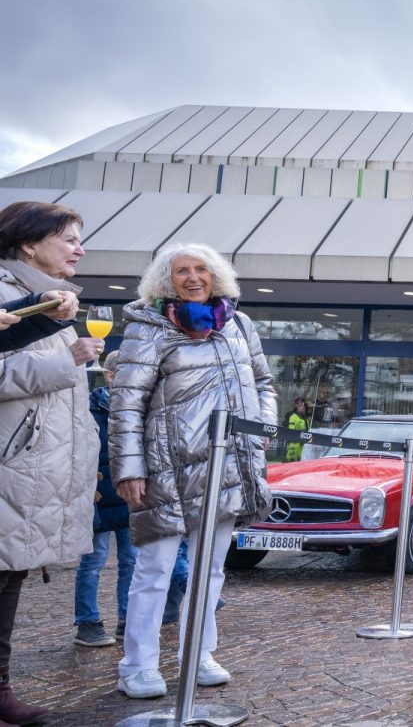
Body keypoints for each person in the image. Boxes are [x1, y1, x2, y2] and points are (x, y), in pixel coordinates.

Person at [110, 243, 276, 699]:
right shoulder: (148, 328)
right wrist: (128, 468)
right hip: (164, 470)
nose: (192, 277)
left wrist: (264, 426)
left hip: (229, 466)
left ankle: (197, 653)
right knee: (154, 570)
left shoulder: (238, 324)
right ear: (166, 281)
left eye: (201, 269)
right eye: (181, 271)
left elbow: (263, 383)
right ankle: (137, 665)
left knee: (212, 570)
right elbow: (126, 405)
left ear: (216, 275)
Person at [0, 200, 100, 726]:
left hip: (30, 470)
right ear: (28, 244)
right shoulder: (6, 295)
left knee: (9, 579)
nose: (80, 249)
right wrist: (69, 360)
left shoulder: (50, 302)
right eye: (70, 238)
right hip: (9, 465)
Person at [74, 351, 136, 648]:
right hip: (97, 498)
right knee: (93, 562)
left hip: (129, 496)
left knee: (131, 561)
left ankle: (128, 618)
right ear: (110, 376)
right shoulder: (87, 410)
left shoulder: (137, 410)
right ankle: (87, 622)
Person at [284, 396, 309, 462]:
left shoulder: (306, 419)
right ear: (296, 407)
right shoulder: (292, 416)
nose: (303, 407)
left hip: (303, 444)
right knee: (290, 461)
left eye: (303, 405)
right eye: (300, 405)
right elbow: (291, 430)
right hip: (294, 444)